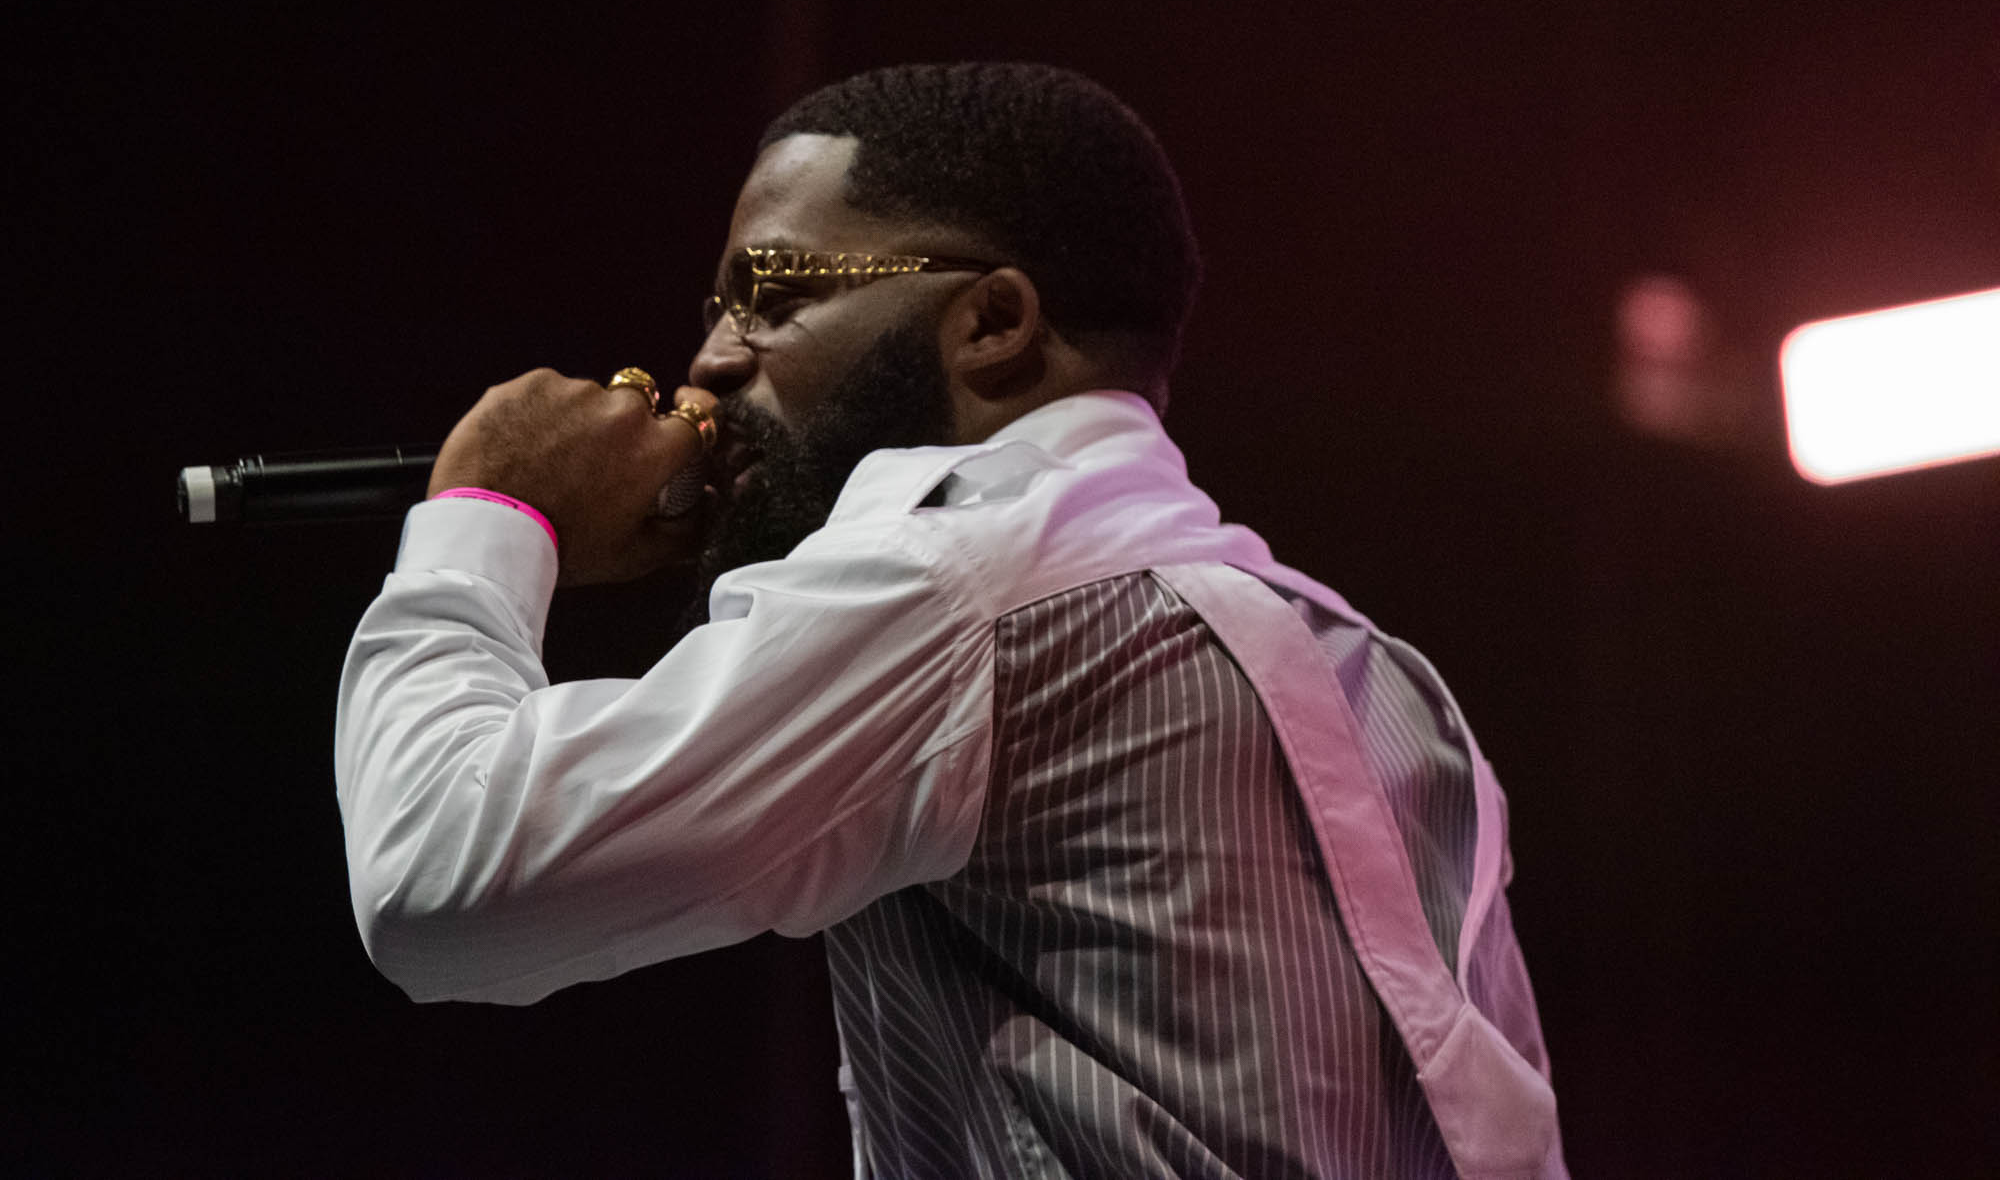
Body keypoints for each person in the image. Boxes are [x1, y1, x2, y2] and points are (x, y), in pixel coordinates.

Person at [337, 63, 1567, 1178]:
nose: (710, 361)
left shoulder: (955, 583)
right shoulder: (1383, 674)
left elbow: (439, 878)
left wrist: (492, 508)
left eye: (766, 292)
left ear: (991, 323)